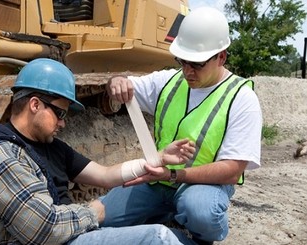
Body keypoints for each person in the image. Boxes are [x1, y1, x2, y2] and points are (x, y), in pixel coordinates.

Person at [0, 58, 196, 245]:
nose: (63, 123)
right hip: (44, 239)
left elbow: (104, 175)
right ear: (35, 105)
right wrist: (94, 211)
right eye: (60, 113)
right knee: (157, 238)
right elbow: (44, 230)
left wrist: (157, 159)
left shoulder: (50, 146)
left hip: (62, 231)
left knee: (145, 206)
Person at [99, 6, 263, 245]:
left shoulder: (241, 99)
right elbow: (124, 84)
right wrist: (116, 82)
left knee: (201, 211)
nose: (187, 70)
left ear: (221, 57)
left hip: (203, 187)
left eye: (196, 64)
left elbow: (233, 170)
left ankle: (200, 239)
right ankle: (167, 214)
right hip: (157, 181)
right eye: (182, 61)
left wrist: (175, 175)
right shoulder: (170, 81)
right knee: (105, 217)